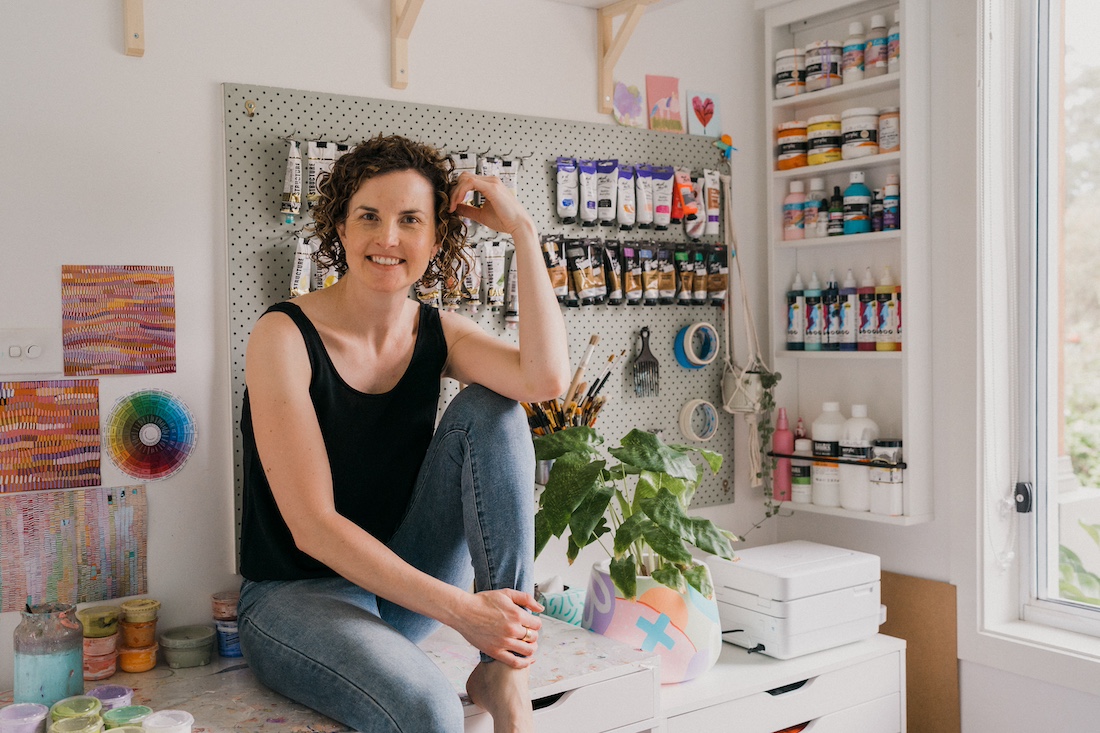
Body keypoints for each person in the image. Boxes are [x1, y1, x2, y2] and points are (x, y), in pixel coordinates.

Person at [237, 133, 570, 733]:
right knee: (429, 710)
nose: (388, 238)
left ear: (435, 239)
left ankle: (506, 669)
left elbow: (544, 380)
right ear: (340, 228)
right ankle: (494, 642)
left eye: (410, 220)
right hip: (296, 598)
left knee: (494, 408)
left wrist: (521, 228)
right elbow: (312, 527)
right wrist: (465, 611)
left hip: (400, 590)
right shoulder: (282, 337)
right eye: (369, 216)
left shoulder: (441, 333)